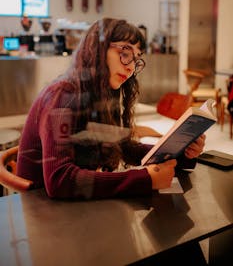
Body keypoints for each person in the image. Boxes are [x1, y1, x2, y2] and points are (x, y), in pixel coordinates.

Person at [17, 18, 205, 200]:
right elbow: (60, 179)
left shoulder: (96, 93)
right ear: (97, 50)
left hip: (70, 207)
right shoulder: (63, 95)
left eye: (136, 59)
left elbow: (122, 147)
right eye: (125, 54)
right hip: (42, 213)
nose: (131, 67)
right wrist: (145, 180)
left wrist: (180, 154)